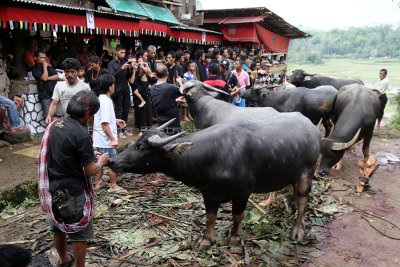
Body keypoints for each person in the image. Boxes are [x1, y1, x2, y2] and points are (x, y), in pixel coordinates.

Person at [38, 90, 109, 267]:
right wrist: (100, 161)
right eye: (92, 113)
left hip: (53, 188)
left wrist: (88, 155)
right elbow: (91, 170)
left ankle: (63, 259)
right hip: (73, 191)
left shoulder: (55, 125)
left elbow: (64, 152)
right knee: (80, 233)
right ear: (88, 111)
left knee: (57, 227)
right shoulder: (81, 134)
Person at [93, 74, 127, 193]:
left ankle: (99, 181)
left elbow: (102, 119)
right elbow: (104, 124)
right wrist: (113, 139)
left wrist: (116, 121)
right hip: (105, 139)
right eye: (113, 84)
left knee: (101, 161)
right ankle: (113, 185)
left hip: (99, 138)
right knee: (113, 162)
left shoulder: (100, 99)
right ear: (110, 87)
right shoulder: (106, 101)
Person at [45, 58, 90, 124]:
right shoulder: (59, 86)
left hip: (81, 123)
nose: (69, 75)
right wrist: (49, 115)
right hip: (67, 121)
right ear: (64, 72)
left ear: (77, 72)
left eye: (72, 72)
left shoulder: (85, 87)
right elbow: (54, 103)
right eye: (67, 71)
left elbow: (89, 107)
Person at [107, 44, 135, 138]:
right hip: (117, 90)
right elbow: (111, 77)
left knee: (126, 110)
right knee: (118, 111)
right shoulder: (111, 64)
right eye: (121, 52)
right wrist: (122, 68)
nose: (123, 55)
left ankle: (124, 129)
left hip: (125, 89)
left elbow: (128, 77)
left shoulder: (124, 62)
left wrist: (131, 69)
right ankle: (118, 131)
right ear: (116, 52)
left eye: (124, 53)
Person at [150, 64, 184, 134]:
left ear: (156, 75)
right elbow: (185, 92)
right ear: (167, 74)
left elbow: (161, 102)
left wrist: (175, 100)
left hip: (161, 120)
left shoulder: (152, 88)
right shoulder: (170, 87)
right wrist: (180, 81)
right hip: (172, 120)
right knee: (174, 138)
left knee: (163, 136)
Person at [32, 50, 63, 120]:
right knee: (48, 115)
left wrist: (47, 78)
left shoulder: (48, 66)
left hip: (54, 92)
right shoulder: (35, 70)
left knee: (58, 114)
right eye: (41, 57)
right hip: (44, 93)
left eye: (44, 57)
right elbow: (44, 78)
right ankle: (49, 130)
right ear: (36, 58)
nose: (43, 59)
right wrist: (45, 67)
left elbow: (57, 76)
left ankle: (55, 130)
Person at [132, 52, 153, 131]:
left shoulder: (145, 67)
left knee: (148, 108)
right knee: (140, 111)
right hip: (139, 87)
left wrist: (147, 68)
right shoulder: (135, 69)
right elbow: (132, 81)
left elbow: (152, 76)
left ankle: (148, 127)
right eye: (139, 61)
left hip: (145, 87)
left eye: (141, 61)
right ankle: (141, 128)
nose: (140, 62)